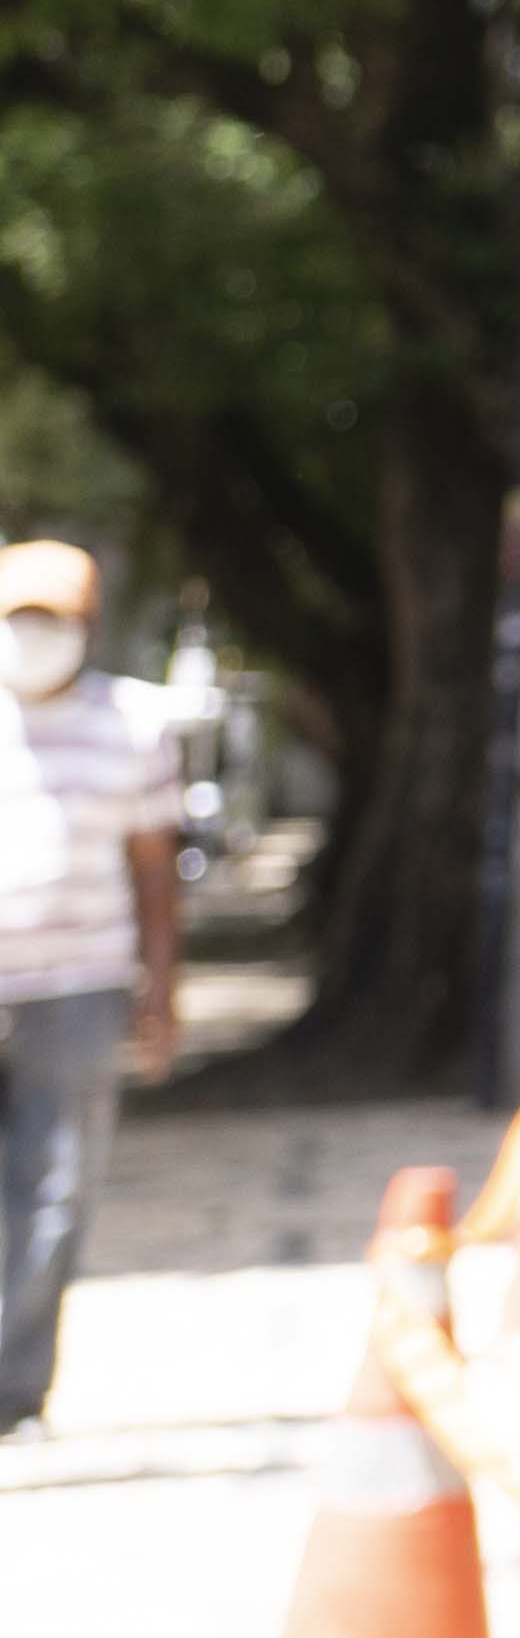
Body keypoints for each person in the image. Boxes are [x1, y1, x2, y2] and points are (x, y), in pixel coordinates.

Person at [0, 541, 184, 1438]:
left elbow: (154, 867)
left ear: (87, 627)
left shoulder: (135, 723)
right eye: (19, 621)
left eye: (50, 622)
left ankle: (14, 1385)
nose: (33, 638)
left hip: (79, 987)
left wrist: (161, 987)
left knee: (56, 1186)